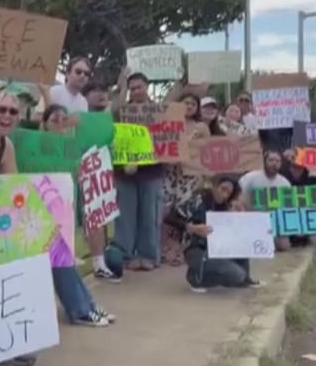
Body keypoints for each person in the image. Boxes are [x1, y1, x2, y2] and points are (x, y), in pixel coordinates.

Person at [39, 58, 118, 281]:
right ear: (68, 72)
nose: (83, 76)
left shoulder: (83, 102)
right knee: (60, 212)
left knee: (93, 211)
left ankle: (99, 263)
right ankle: (61, 259)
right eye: (78, 71)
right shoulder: (53, 92)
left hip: (80, 162)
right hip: (56, 162)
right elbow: (41, 122)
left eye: (86, 73)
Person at [39, 104, 116, 326]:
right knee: (60, 260)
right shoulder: (37, 147)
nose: (61, 124)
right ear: (44, 125)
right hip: (42, 213)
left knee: (62, 261)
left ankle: (85, 304)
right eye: (55, 120)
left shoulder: (72, 149)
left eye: (65, 120)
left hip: (64, 213)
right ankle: (81, 308)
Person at [164, 176, 259, 293]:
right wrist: (192, 228)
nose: (224, 195)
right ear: (215, 186)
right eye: (223, 189)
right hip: (195, 248)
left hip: (217, 248)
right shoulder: (196, 200)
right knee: (236, 275)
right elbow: (169, 218)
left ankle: (245, 279)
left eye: (228, 193)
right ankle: (196, 278)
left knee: (240, 254)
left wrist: (237, 218)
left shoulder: (227, 207)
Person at [109, 72, 163, 271]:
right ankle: (125, 255)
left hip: (152, 171)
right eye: (132, 88)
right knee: (125, 216)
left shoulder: (159, 110)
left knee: (150, 215)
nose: (136, 91)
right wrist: (121, 87)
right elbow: (112, 114)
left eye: (139, 87)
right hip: (125, 171)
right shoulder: (122, 110)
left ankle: (148, 256)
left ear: (147, 87)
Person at [161, 93, 210, 266]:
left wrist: (203, 178)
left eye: (193, 103)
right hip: (170, 173)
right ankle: (167, 250)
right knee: (167, 212)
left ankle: (184, 250)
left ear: (197, 108)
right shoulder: (168, 123)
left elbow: (207, 152)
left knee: (186, 212)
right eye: (185, 103)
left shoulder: (201, 127)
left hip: (189, 176)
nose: (189, 106)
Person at [239, 150, 293, 251]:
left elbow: (288, 207)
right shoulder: (251, 177)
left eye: (277, 161)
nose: (274, 164)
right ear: (264, 161)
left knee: (284, 246)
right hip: (251, 220)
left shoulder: (285, 183)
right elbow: (238, 194)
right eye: (271, 160)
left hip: (273, 222)